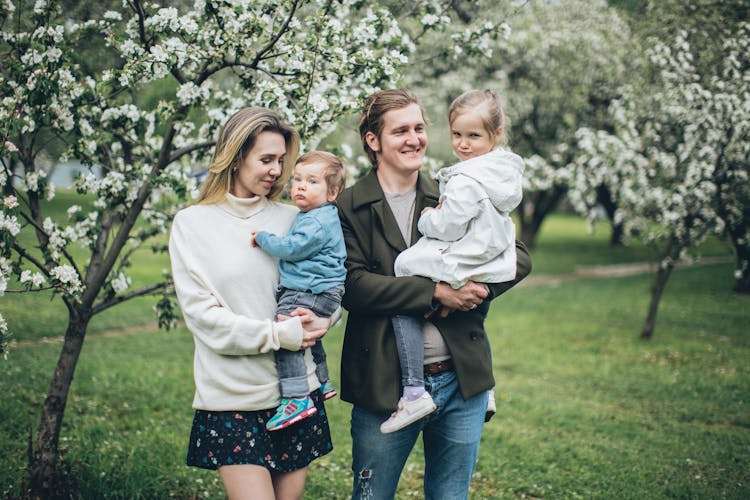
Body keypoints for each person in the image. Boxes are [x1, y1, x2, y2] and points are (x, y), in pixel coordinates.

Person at [336, 89, 532, 499]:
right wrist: (435, 293)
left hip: (461, 380)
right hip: (385, 386)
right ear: (373, 141)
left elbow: (518, 256)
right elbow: (353, 286)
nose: (415, 139)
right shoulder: (350, 205)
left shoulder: (456, 187)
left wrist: (476, 289)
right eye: (401, 130)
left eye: (420, 128)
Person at [169, 107, 336, 499]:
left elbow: (325, 284)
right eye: (266, 160)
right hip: (233, 397)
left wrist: (326, 318)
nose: (277, 170)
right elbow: (204, 319)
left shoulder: (297, 218)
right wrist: (281, 335)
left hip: (296, 393)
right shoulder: (193, 224)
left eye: (281, 160)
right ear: (235, 156)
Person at [382, 89, 524, 433]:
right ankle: (483, 383)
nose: (462, 144)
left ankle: (413, 389)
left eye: (473, 136)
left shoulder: (465, 178)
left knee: (404, 267)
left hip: (466, 255)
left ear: (495, 135)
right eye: (457, 134)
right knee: (477, 310)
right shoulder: (503, 172)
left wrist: (428, 218)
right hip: (490, 257)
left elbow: (447, 225)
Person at [250, 151, 347, 432]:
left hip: (310, 289)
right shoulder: (320, 214)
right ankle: (323, 379)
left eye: (312, 181)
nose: (301, 186)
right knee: (308, 335)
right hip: (322, 291)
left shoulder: (316, 222)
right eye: (298, 179)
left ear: (332, 192)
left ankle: (296, 397)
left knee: (287, 335)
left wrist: (263, 238)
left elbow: (291, 248)